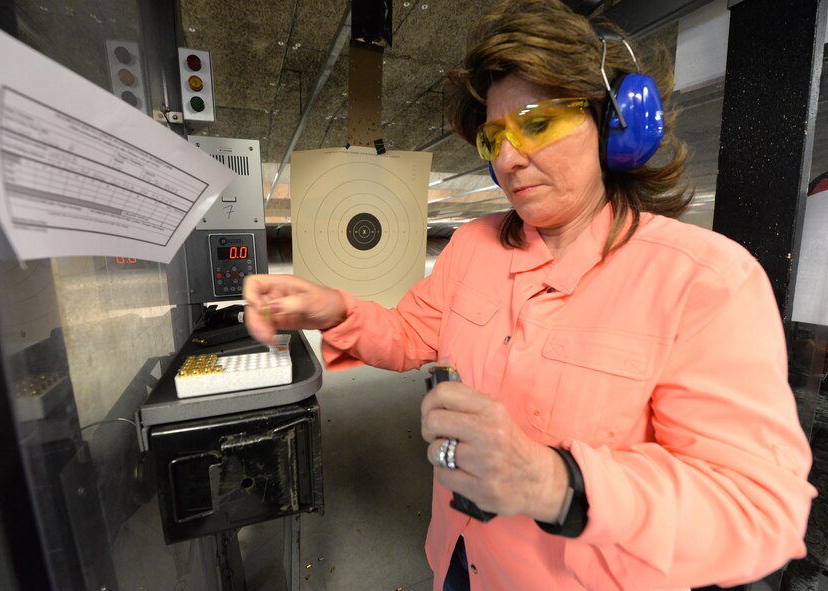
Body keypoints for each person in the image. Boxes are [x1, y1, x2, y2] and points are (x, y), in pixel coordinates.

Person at [244, 0, 816, 588]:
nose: (510, 160)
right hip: (457, 557)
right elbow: (413, 333)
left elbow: (759, 510)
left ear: (616, 127)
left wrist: (554, 482)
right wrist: (333, 308)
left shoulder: (705, 280)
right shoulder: (473, 245)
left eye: (537, 123)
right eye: (495, 138)